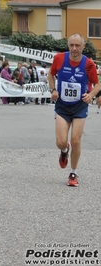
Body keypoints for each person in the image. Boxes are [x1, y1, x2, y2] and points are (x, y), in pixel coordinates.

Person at [48, 33, 100, 187]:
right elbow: (51, 75)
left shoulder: (88, 64)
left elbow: (97, 85)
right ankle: (64, 150)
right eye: (71, 45)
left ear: (83, 46)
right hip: (62, 106)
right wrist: (52, 90)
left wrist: (90, 95)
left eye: (77, 45)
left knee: (76, 140)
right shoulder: (59, 59)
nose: (74, 48)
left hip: (79, 106)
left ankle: (73, 172)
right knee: (61, 142)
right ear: (68, 45)